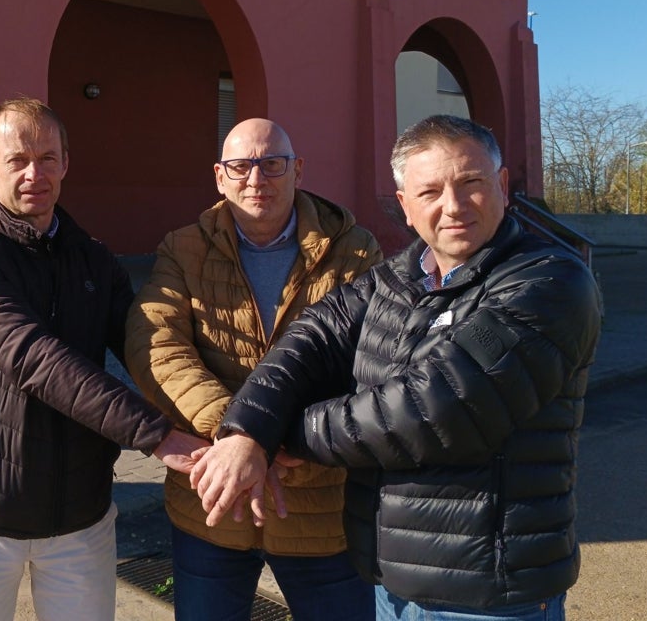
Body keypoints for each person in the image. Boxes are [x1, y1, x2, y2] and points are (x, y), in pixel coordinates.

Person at [192, 114, 602, 621]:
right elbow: (311, 340)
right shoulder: (401, 276)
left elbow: (431, 409)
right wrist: (248, 429)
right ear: (405, 207)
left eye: (470, 183)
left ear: (501, 184)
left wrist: (278, 437)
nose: (452, 207)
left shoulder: (548, 282)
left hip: (485, 594)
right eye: (429, 192)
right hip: (391, 586)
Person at [0, 97, 206, 621]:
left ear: (66, 164)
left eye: (49, 158)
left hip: (81, 519)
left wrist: (231, 419)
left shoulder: (95, 259)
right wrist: (156, 434)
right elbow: (32, 356)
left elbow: (150, 348)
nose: (36, 173)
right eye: (18, 160)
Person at [125, 117, 382, 621]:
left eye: (272, 164)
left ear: (298, 170)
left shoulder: (353, 251)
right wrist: (237, 438)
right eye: (241, 166)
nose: (256, 179)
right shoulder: (183, 248)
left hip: (318, 501)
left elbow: (367, 361)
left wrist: (273, 445)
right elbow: (155, 345)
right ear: (220, 176)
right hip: (212, 499)